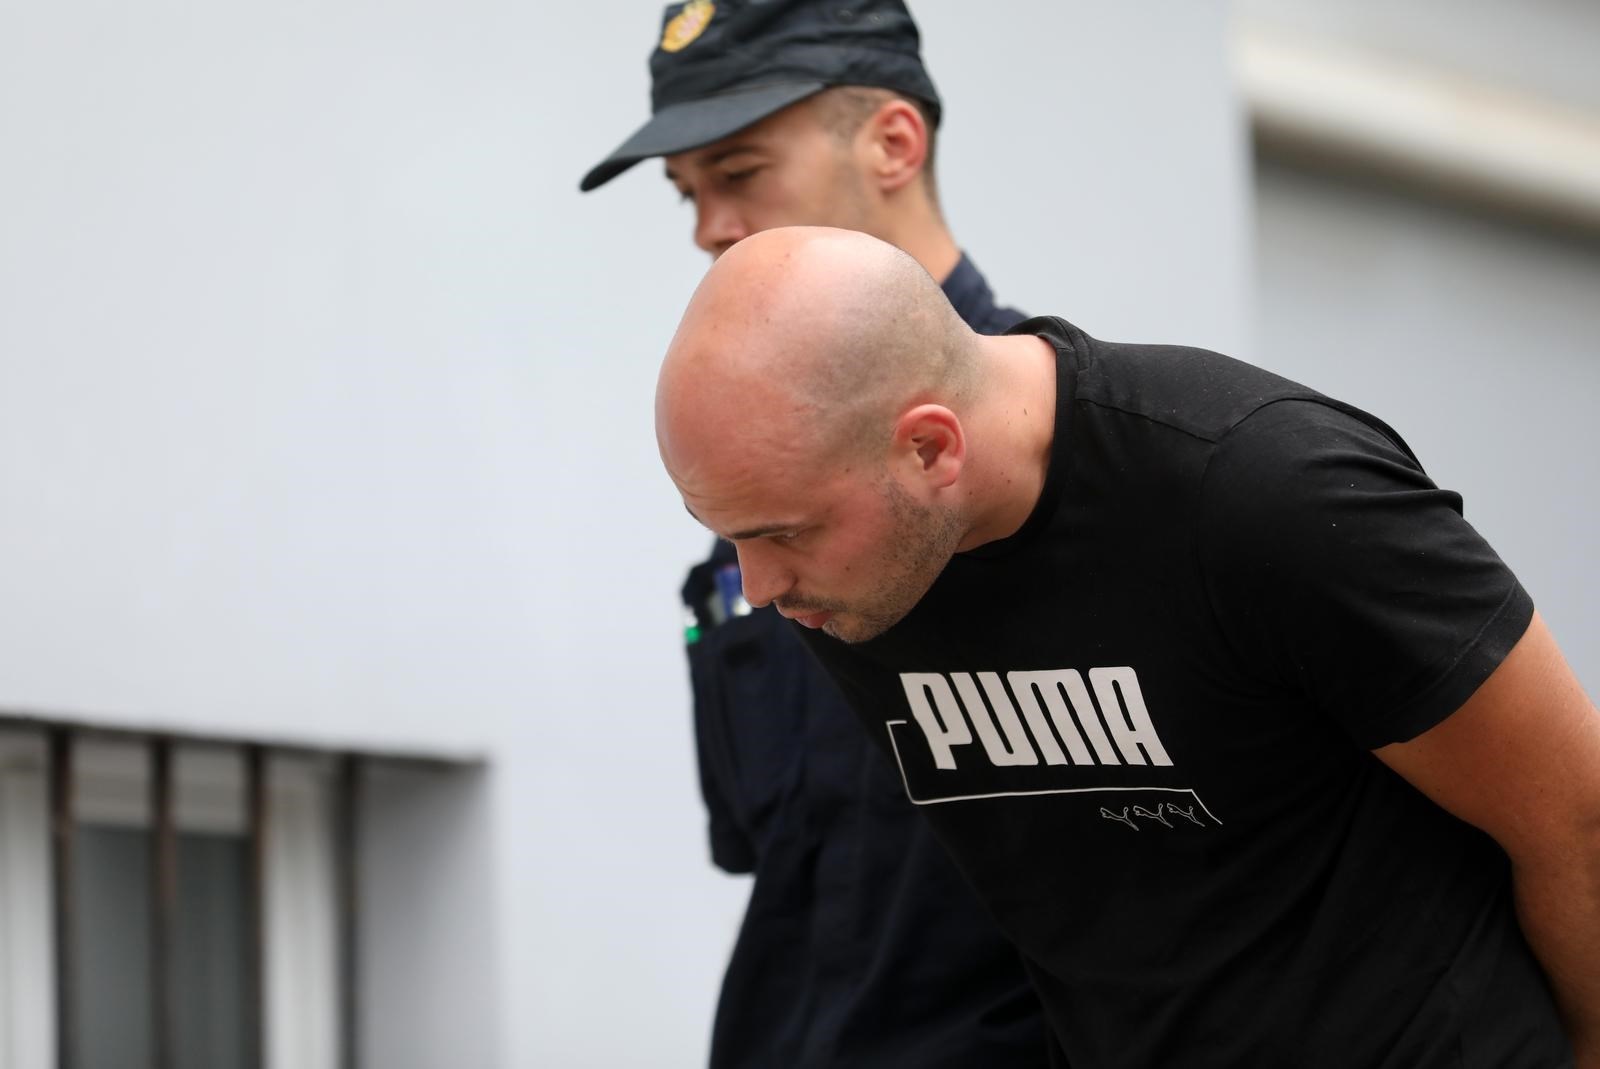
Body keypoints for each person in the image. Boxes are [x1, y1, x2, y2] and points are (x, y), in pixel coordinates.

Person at [656, 226, 1600, 1068]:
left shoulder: (1264, 490)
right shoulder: (856, 586)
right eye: (728, 535)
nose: (760, 587)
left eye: (783, 532)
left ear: (930, 449)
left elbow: (1577, 819)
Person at [580, 2, 1050, 1066]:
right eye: (686, 191)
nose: (707, 225)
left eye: (739, 171)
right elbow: (784, 865)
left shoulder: (1051, 460)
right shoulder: (758, 484)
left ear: (893, 143)